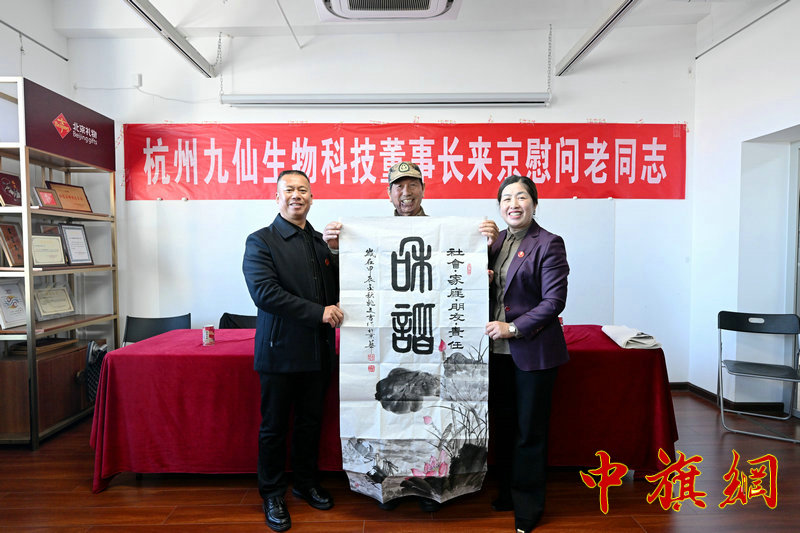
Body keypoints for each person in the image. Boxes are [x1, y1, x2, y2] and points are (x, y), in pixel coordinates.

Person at [323, 161, 498, 513]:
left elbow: (468, 281)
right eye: (399, 186)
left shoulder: (448, 235)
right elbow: (349, 282)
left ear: (423, 189)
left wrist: (483, 257)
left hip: (431, 344)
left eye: (412, 185)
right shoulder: (371, 236)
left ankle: (435, 488)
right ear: (389, 193)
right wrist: (337, 248)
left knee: (435, 417)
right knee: (391, 418)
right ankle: (387, 487)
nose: (406, 193)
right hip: (393, 346)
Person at [242, 169, 343, 532]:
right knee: (274, 428)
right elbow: (265, 293)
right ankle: (272, 493)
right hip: (279, 352)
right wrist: (319, 313)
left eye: (303, 190)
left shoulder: (319, 242)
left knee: (309, 423)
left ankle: (305, 482)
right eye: (289, 190)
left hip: (318, 352)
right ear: (277, 197)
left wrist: (338, 251)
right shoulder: (261, 241)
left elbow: (337, 289)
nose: (296, 195)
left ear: (312, 198)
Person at [484, 175, 569, 533]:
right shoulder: (495, 242)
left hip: (532, 351)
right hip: (496, 353)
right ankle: (507, 492)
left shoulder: (548, 243)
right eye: (506, 198)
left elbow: (554, 301)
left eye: (521, 197)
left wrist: (513, 328)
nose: (513, 204)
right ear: (499, 206)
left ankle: (528, 508)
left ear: (534, 203)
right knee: (503, 428)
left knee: (529, 432)